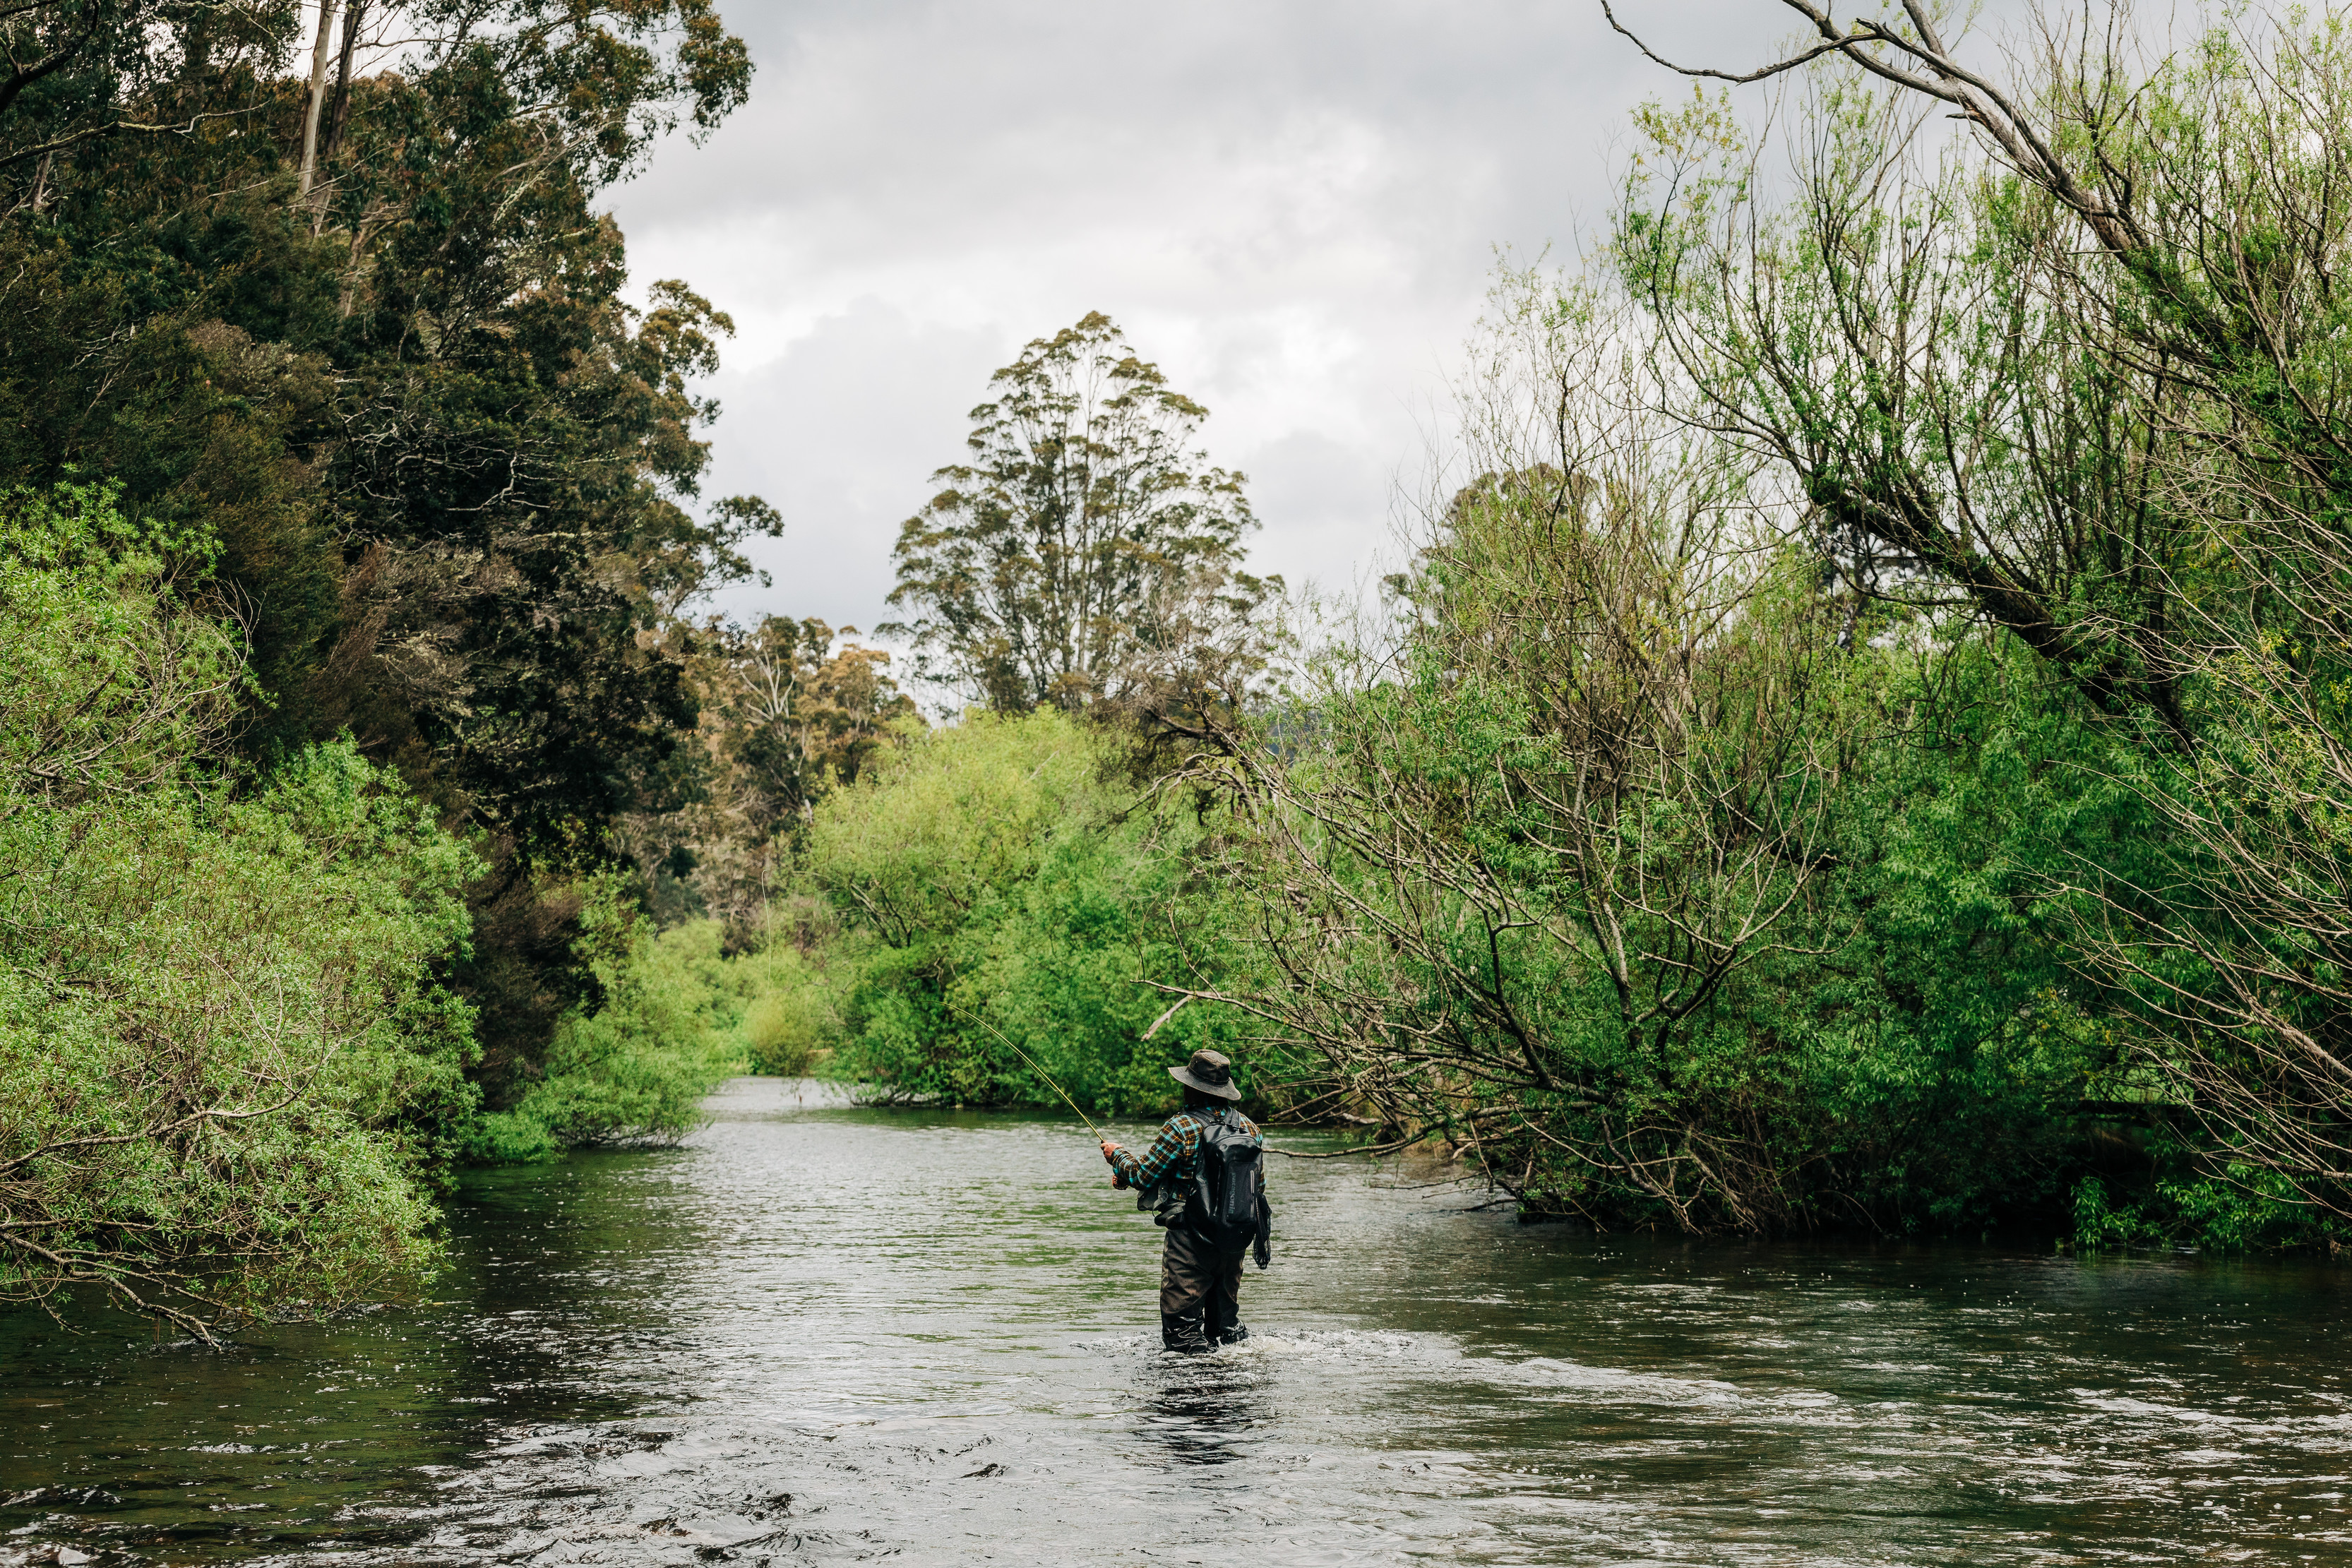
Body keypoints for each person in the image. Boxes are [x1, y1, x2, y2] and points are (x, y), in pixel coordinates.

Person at [1100, 1048, 1271, 1353]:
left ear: (1192, 1088)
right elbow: (1258, 1186)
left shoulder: (1180, 1127)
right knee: (1225, 1330)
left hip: (1190, 1239)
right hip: (1235, 1238)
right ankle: (1227, 1393)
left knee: (1182, 1333)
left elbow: (1142, 1175)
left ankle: (1192, 1393)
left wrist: (1118, 1158)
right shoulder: (1250, 1128)